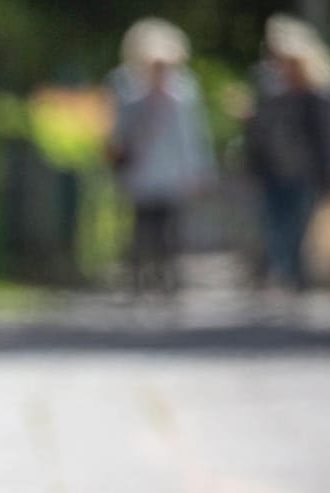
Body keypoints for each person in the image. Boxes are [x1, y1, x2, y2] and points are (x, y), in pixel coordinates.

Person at [105, 18, 215, 295]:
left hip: (173, 170)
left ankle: (169, 277)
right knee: (143, 226)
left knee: (172, 227)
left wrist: (199, 170)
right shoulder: (126, 85)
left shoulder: (184, 89)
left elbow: (193, 134)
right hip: (141, 169)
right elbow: (118, 128)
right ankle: (142, 276)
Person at [246, 14, 330, 292]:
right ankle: (283, 273)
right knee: (276, 224)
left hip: (304, 170)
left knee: (299, 225)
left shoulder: (317, 92)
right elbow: (259, 131)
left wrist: (329, 170)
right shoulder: (267, 86)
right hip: (272, 169)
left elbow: (326, 135)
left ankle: (295, 275)